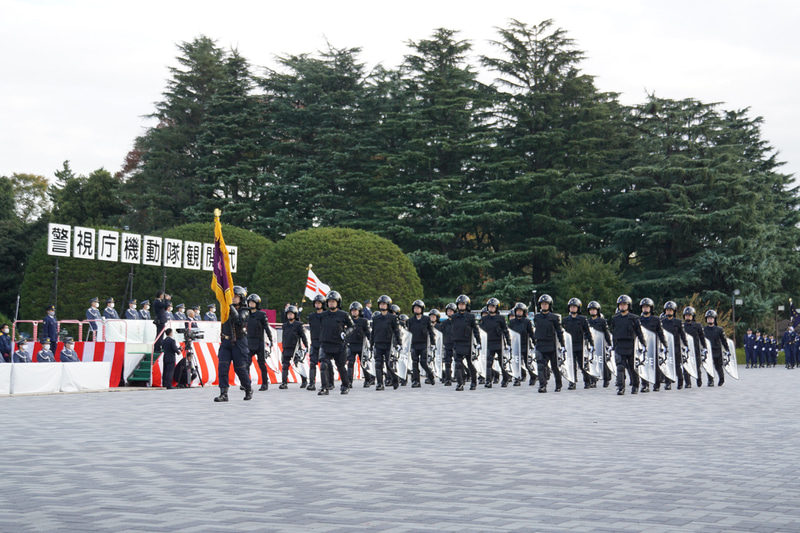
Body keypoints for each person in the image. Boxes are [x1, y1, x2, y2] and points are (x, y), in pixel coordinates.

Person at [214, 286, 253, 402]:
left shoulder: (246, 310)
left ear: (241, 298)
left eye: (235, 297)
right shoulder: (224, 309)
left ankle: (248, 388)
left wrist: (230, 306)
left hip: (239, 342)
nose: (233, 298)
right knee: (223, 367)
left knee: (240, 368)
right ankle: (223, 393)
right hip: (226, 341)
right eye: (231, 296)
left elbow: (239, 321)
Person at [609, 295, 646, 395]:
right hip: (619, 345)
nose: (622, 306)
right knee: (620, 367)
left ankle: (635, 386)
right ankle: (621, 387)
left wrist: (643, 344)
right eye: (621, 305)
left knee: (632, 367)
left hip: (631, 345)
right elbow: (614, 332)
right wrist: (612, 345)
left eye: (624, 304)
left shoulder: (634, 318)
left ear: (628, 306)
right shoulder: (615, 319)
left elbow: (639, 332)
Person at [318, 291, 354, 395]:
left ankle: (345, 385)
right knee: (323, 365)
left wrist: (345, 333)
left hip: (338, 344)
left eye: (333, 301)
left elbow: (352, 326)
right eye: (329, 301)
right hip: (326, 344)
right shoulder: (323, 315)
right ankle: (324, 387)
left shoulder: (344, 315)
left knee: (341, 366)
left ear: (338, 302)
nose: (331, 303)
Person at [533, 294, 566, 393]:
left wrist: (562, 344)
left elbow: (559, 332)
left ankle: (558, 384)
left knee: (554, 366)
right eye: (542, 304)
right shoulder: (537, 317)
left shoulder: (554, 318)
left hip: (551, 345)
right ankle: (542, 385)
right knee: (540, 366)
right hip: (540, 344)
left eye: (546, 304)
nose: (544, 306)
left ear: (549, 305)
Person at [370, 295, 403, 390]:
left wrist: (399, 343)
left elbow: (397, 331)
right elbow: (373, 332)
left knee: (389, 364)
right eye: (380, 304)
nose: (382, 305)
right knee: (378, 364)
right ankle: (380, 383)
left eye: (384, 304)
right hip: (378, 344)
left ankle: (394, 379)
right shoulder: (376, 318)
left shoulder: (393, 318)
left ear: (388, 305)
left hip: (388, 344)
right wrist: (371, 344)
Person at [562, 298, 594, 390]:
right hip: (570, 346)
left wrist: (591, 344)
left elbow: (587, 332)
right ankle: (572, 382)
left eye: (574, 307)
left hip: (580, 345)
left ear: (578, 308)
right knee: (571, 365)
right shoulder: (566, 320)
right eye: (571, 307)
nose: (572, 309)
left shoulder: (583, 319)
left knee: (582, 364)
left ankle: (587, 382)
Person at [451, 295, 481, 391]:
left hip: (467, 343)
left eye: (463, 304)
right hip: (458, 342)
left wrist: (478, 342)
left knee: (470, 363)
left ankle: (473, 382)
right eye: (459, 304)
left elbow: (476, 330)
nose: (461, 306)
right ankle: (460, 383)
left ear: (467, 305)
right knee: (458, 364)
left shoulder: (471, 317)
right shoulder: (454, 317)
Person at [639, 298, 669, 392]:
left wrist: (665, 344)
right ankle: (645, 385)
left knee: (655, 366)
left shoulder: (656, 320)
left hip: (654, 346)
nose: (645, 309)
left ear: (651, 308)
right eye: (643, 307)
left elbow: (660, 333)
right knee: (643, 365)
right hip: (643, 346)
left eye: (647, 307)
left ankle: (656, 384)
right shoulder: (639, 320)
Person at [246, 294, 275, 392]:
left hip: (259, 342)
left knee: (261, 364)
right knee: (246, 364)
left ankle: (265, 383)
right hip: (249, 342)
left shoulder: (261, 315)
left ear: (257, 303)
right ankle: (246, 383)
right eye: (249, 302)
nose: (251, 304)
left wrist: (270, 340)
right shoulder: (246, 314)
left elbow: (267, 328)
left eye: (253, 302)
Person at [481, 298, 511, 388]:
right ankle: (488, 381)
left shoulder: (501, 318)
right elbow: (481, 331)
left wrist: (508, 343)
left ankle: (505, 379)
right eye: (490, 307)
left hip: (499, 343)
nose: (491, 308)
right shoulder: (485, 319)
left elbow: (505, 331)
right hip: (489, 343)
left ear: (496, 308)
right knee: (489, 363)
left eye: (493, 307)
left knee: (502, 363)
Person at [407, 300, 436, 388]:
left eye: (418, 308)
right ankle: (416, 381)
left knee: (423, 362)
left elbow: (431, 332)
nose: (416, 310)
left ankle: (430, 374)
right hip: (414, 344)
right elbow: (408, 333)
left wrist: (433, 343)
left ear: (422, 309)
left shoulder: (426, 319)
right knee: (414, 363)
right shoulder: (410, 320)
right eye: (415, 308)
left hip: (423, 344)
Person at [661, 301, 688, 390]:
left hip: (676, 347)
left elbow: (682, 335)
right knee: (666, 365)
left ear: (674, 311)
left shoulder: (678, 322)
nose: (669, 312)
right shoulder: (662, 322)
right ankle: (667, 383)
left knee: (677, 365)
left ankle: (680, 381)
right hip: (666, 347)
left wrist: (686, 345)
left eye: (671, 310)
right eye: (667, 310)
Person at [279, 305, 308, 389]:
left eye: (291, 314)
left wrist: (306, 345)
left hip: (295, 348)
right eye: (288, 314)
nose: (289, 316)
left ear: (295, 315)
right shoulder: (284, 325)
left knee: (298, 365)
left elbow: (303, 336)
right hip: (286, 347)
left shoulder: (298, 325)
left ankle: (304, 380)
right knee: (285, 365)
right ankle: (284, 383)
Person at [586, 301, 613, 388]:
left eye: (594, 309)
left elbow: (606, 333)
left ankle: (606, 379)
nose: (592, 311)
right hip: (591, 345)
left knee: (603, 362)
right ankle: (593, 380)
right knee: (592, 362)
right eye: (591, 310)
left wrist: (609, 344)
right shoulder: (587, 321)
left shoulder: (602, 321)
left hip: (600, 344)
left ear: (597, 310)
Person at [508, 302, 535, 386]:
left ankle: (533, 376)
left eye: (520, 311)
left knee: (527, 363)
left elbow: (531, 333)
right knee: (516, 363)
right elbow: (509, 333)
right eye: (517, 311)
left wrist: (534, 342)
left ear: (524, 312)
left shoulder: (527, 322)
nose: (519, 313)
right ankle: (517, 378)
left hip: (525, 345)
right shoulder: (512, 322)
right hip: (515, 345)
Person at [346, 302, 372, 387]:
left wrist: (371, 343)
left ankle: (368, 380)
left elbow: (368, 332)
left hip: (361, 344)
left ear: (359, 311)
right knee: (350, 363)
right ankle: (349, 382)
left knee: (363, 363)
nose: (354, 312)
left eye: (356, 310)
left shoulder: (364, 321)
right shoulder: (348, 321)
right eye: (353, 311)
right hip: (351, 345)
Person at [305, 294, 326, 391]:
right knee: (312, 363)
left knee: (324, 364)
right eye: (316, 303)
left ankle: (327, 383)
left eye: (319, 303)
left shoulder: (326, 315)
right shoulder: (311, 316)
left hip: (324, 342)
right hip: (314, 342)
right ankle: (312, 383)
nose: (317, 305)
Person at [703, 310, 726, 387]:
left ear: (714, 319)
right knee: (709, 366)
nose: (710, 320)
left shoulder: (719, 330)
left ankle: (721, 379)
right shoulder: (704, 330)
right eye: (708, 318)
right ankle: (710, 380)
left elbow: (724, 341)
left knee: (718, 366)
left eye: (711, 318)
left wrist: (727, 349)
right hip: (708, 351)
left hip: (717, 350)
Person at [682, 306, 705, 387]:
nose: (688, 317)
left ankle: (699, 380)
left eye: (689, 315)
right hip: (685, 350)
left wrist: (704, 347)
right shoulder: (682, 326)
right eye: (686, 315)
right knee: (685, 367)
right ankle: (688, 383)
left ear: (693, 316)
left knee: (697, 366)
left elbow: (702, 337)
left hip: (695, 349)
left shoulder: (698, 326)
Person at [436, 303, 457, 386]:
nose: (449, 313)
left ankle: (459, 377)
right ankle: (448, 379)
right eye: (448, 311)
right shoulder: (444, 323)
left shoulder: (457, 322)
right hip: (447, 344)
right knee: (447, 362)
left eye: (451, 311)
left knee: (458, 362)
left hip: (456, 344)